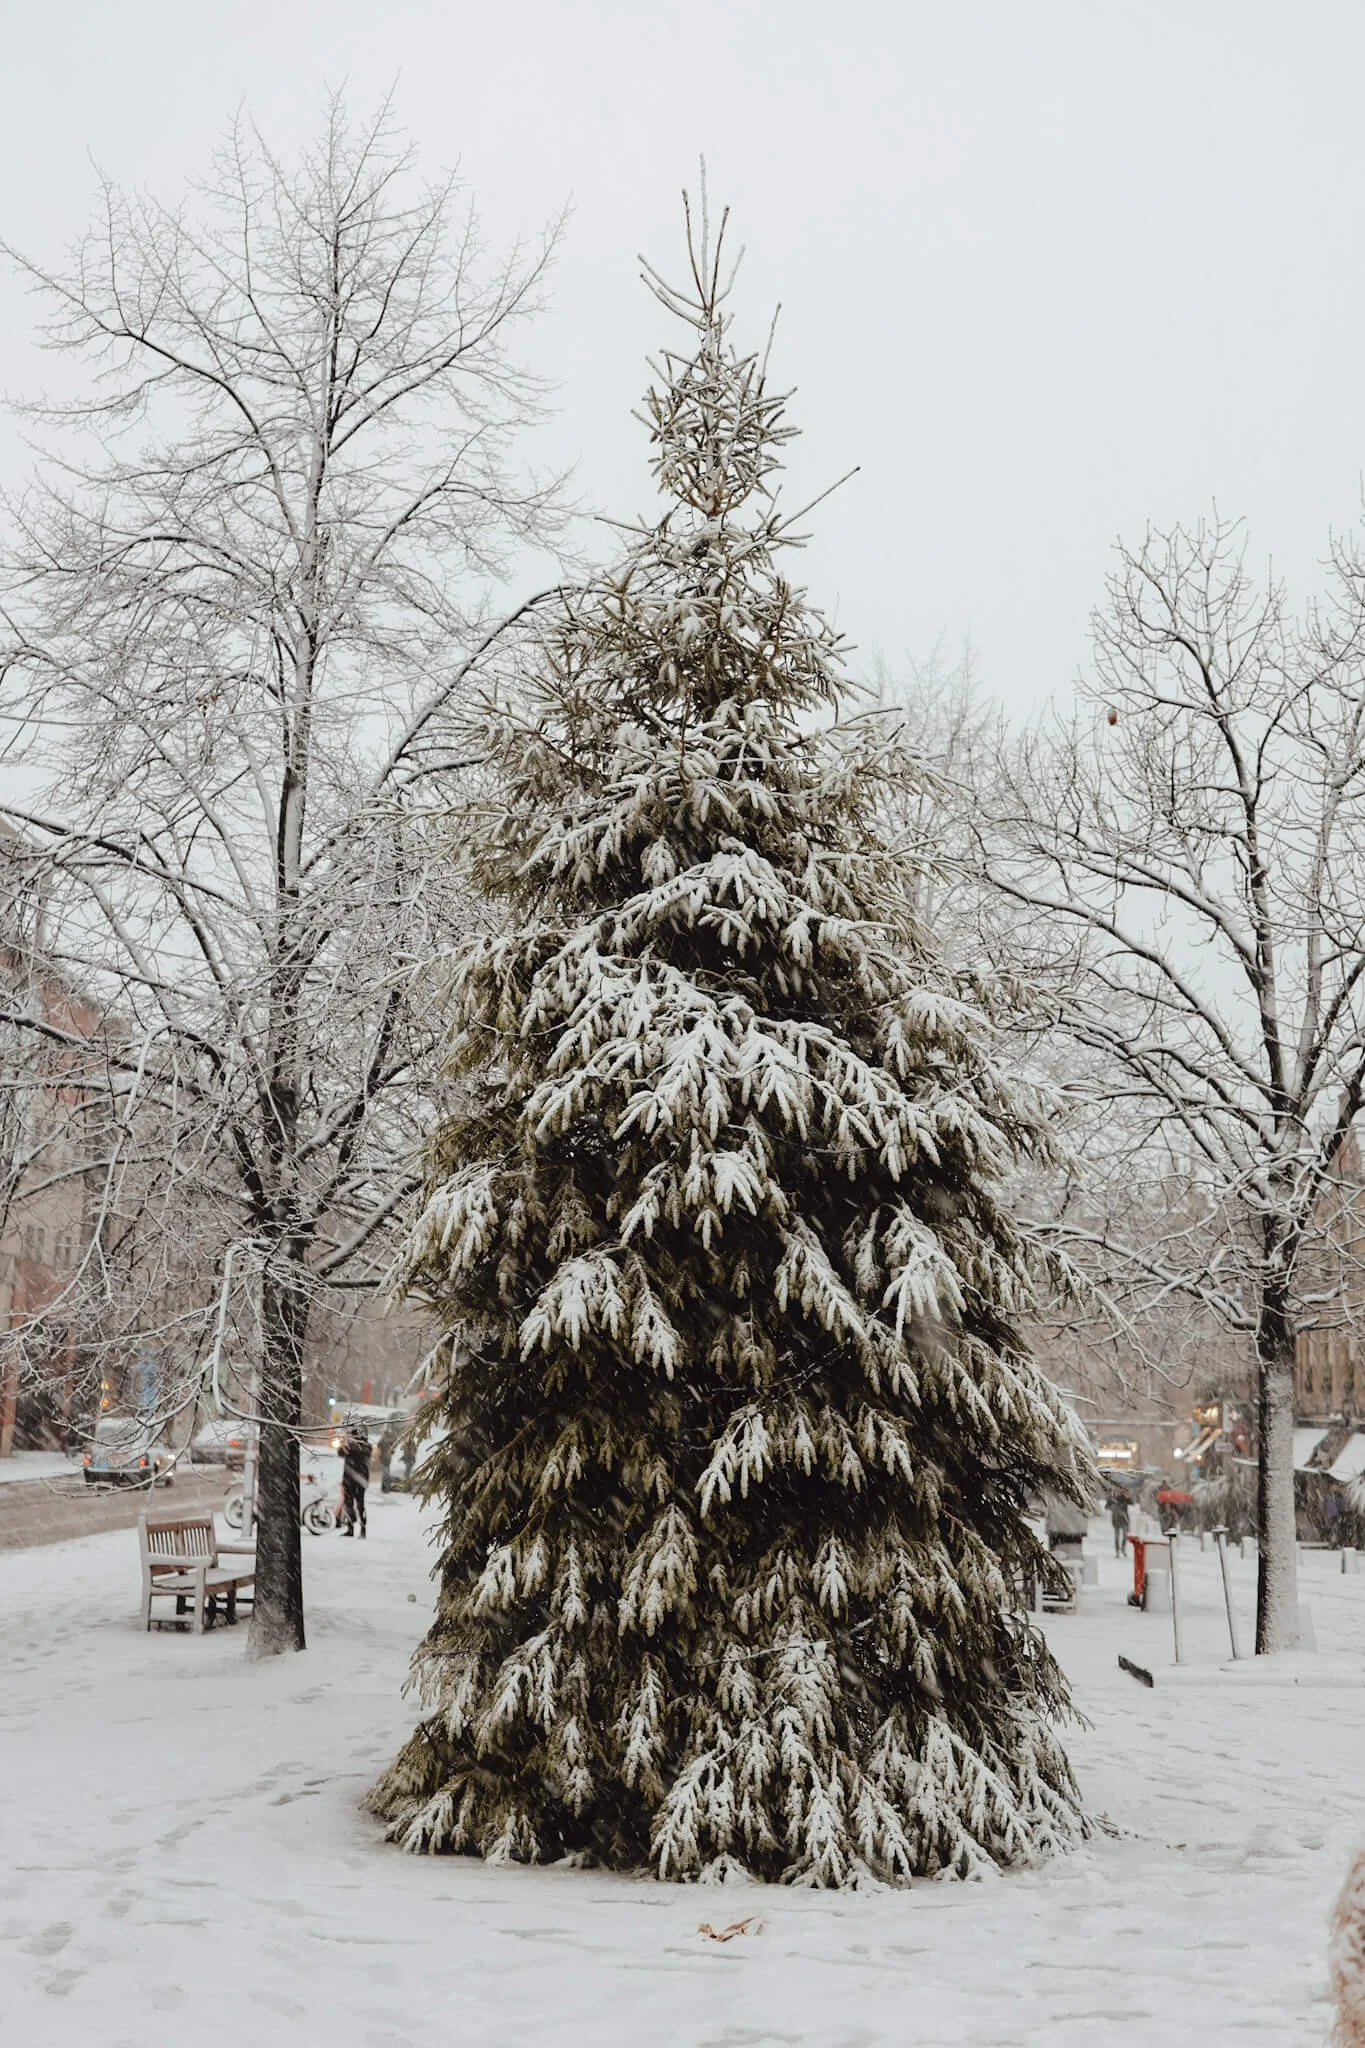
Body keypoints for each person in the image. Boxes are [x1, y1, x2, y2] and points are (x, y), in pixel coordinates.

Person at [339, 1424, 371, 1538]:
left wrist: (349, 1446)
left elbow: (358, 1453)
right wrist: (344, 1445)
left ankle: (362, 1529)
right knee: (348, 1504)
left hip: (359, 1480)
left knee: (359, 1505)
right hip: (349, 1479)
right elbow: (340, 1453)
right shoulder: (350, 1446)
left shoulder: (365, 1446)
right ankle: (350, 1528)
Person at [1109, 1490, 1131, 1558]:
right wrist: (1113, 1507)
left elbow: (1131, 1502)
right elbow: (1108, 1507)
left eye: (1121, 1491)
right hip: (1116, 1520)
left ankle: (1123, 1548)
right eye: (1118, 1491)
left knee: (1125, 1535)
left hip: (1124, 1519)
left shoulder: (1125, 1498)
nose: (1120, 1492)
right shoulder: (1113, 1498)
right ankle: (1117, 1551)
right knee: (1117, 1537)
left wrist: (1128, 1497)